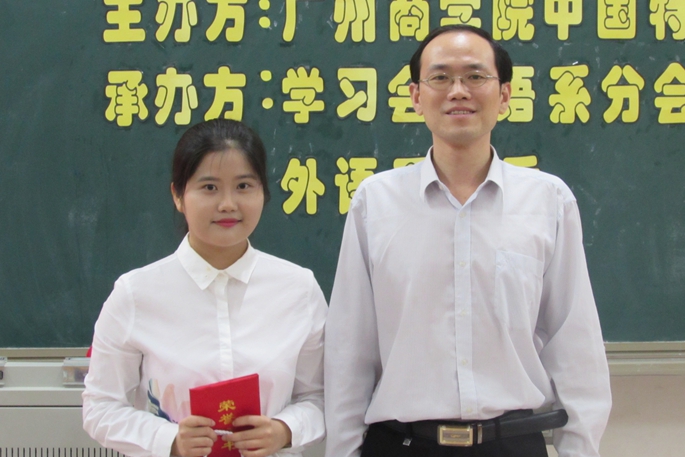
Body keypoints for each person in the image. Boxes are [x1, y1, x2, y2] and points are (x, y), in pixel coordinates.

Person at [324, 25, 611, 457]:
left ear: (505, 94)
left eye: (476, 76)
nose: (458, 91)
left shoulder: (548, 201)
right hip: (402, 444)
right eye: (440, 77)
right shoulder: (375, 202)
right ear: (416, 96)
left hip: (511, 444)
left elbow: (574, 344)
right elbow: (350, 349)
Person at [83, 119, 326, 457]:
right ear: (178, 195)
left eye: (243, 186)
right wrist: (169, 440)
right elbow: (101, 407)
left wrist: (285, 430)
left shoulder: (298, 289)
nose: (228, 204)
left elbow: (322, 397)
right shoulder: (136, 294)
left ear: (263, 193)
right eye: (209, 187)